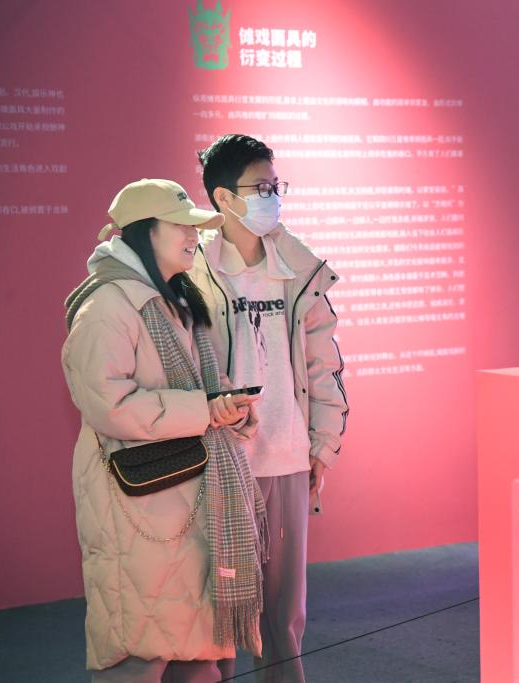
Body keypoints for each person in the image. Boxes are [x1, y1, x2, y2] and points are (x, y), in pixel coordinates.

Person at [62, 179, 268, 682]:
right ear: (144, 231)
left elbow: (203, 386)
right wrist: (205, 410)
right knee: (139, 657)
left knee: (195, 654)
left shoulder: (174, 298)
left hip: (185, 501)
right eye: (182, 226)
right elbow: (108, 405)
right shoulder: (107, 306)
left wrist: (230, 408)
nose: (194, 236)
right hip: (138, 507)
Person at [190, 134, 348, 682]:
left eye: (276, 186)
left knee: (284, 613)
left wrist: (322, 445)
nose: (272, 198)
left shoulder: (297, 267)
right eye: (260, 188)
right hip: (221, 461)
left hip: (287, 454)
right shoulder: (196, 269)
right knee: (220, 607)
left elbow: (324, 365)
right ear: (223, 198)